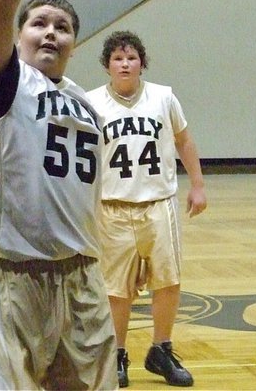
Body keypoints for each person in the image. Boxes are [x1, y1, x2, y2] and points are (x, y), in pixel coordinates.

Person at [0, 0, 118, 389]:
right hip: (11, 275)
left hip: (81, 275)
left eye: (63, 27)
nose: (51, 31)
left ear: (74, 42)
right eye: (39, 23)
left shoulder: (86, 103)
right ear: (21, 34)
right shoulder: (4, 83)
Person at [86, 31, 207, 388]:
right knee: (115, 289)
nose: (125, 64)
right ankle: (117, 354)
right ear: (107, 65)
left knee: (168, 280)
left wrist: (197, 185)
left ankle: (161, 350)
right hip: (112, 207)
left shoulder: (163, 97)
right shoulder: (91, 103)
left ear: (142, 63)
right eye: (118, 58)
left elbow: (184, 140)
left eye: (131, 57)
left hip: (157, 202)